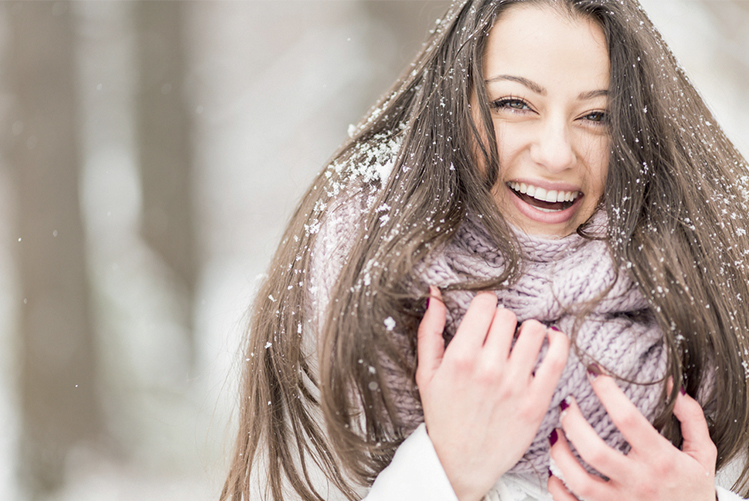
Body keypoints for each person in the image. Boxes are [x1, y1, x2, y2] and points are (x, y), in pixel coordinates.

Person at [221, 0, 749, 500]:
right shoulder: (347, 297)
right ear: (452, 108)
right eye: (514, 104)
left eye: (596, 116)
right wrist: (443, 468)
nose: (556, 153)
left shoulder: (718, 309)